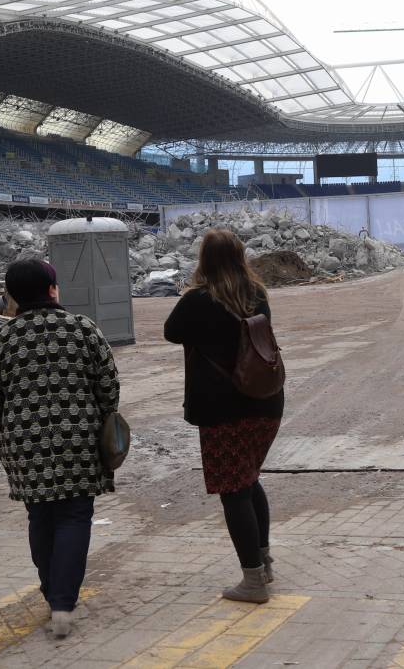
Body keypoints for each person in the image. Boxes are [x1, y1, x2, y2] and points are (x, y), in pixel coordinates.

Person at [0, 259, 120, 638]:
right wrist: (103, 419)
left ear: (10, 297)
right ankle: (62, 603)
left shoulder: (2, 340)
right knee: (75, 515)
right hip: (80, 440)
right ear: (53, 289)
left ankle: (50, 593)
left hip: (25, 446)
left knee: (40, 516)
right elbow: (109, 386)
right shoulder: (83, 329)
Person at [163, 229, 284, 604]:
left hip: (223, 407)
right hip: (265, 400)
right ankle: (263, 562)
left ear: (204, 260)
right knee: (248, 481)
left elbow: (171, 333)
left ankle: (252, 582)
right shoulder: (257, 293)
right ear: (240, 256)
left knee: (234, 491)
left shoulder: (197, 299)